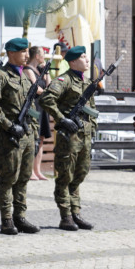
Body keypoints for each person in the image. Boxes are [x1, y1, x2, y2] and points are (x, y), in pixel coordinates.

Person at [39, 45, 100, 232]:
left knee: (80, 174)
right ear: (73, 61)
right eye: (83, 57)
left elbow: (92, 109)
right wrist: (62, 119)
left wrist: (93, 127)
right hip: (69, 138)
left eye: (86, 56)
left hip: (84, 137)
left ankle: (76, 213)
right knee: (65, 176)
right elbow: (47, 99)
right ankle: (65, 216)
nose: (87, 60)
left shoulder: (86, 82)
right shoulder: (64, 80)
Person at [0, 37, 40, 234]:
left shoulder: (25, 76)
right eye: (23, 52)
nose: (28, 55)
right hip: (10, 136)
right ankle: (6, 218)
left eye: (27, 51)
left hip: (26, 135)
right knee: (9, 178)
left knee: (24, 177)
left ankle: (20, 216)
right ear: (11, 53)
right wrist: (9, 126)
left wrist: (33, 132)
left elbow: (32, 108)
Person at [23, 45, 50, 181]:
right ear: (37, 56)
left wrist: (47, 71)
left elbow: (48, 85)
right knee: (33, 139)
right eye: (43, 53)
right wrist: (48, 93)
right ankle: (29, 171)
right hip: (34, 107)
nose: (44, 55)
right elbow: (37, 89)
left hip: (42, 107)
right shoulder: (28, 70)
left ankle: (37, 170)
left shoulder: (40, 70)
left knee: (41, 139)